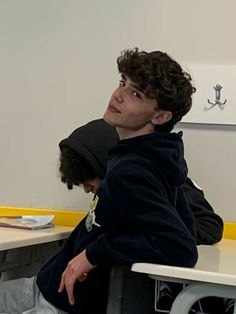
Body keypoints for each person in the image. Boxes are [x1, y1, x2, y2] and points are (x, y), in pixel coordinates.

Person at [0, 48, 209, 314]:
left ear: (159, 116)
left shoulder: (133, 170)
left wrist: (92, 254)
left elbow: (180, 246)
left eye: (136, 94)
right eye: (123, 83)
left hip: (63, 303)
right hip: (46, 286)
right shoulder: (153, 159)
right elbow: (184, 230)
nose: (118, 95)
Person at [58, 118, 224, 314]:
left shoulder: (150, 180)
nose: (86, 189)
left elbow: (209, 225)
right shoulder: (120, 189)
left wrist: (142, 236)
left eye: (88, 180)